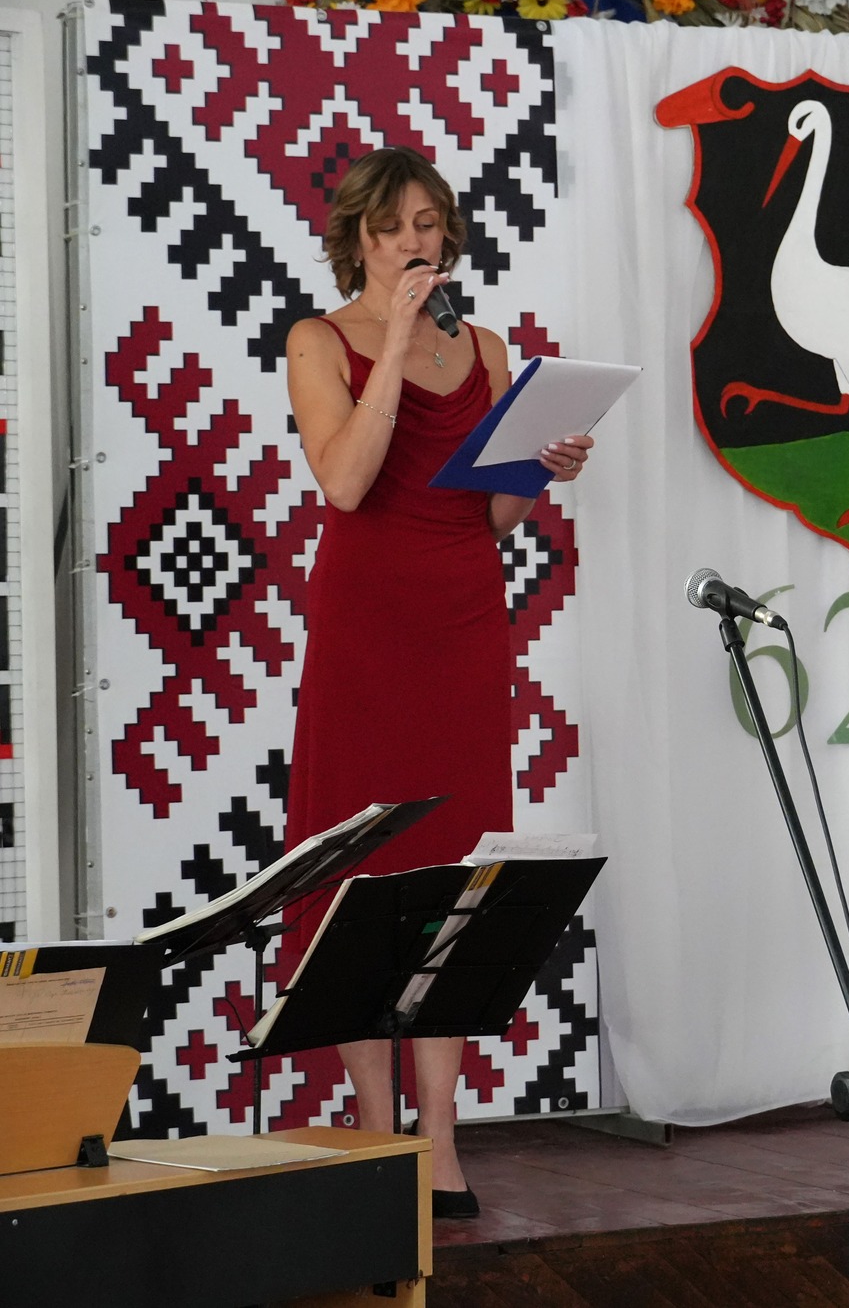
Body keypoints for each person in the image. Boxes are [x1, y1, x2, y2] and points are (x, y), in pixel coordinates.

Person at [281, 146, 593, 1215]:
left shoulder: (488, 349)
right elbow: (346, 480)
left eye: (428, 224)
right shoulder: (317, 340)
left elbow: (492, 515)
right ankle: (378, 1137)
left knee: (455, 870)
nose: (415, 243)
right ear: (358, 240)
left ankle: (442, 1140)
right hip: (365, 625)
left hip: (461, 620)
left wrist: (539, 472)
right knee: (360, 868)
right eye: (393, 228)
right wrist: (397, 344)